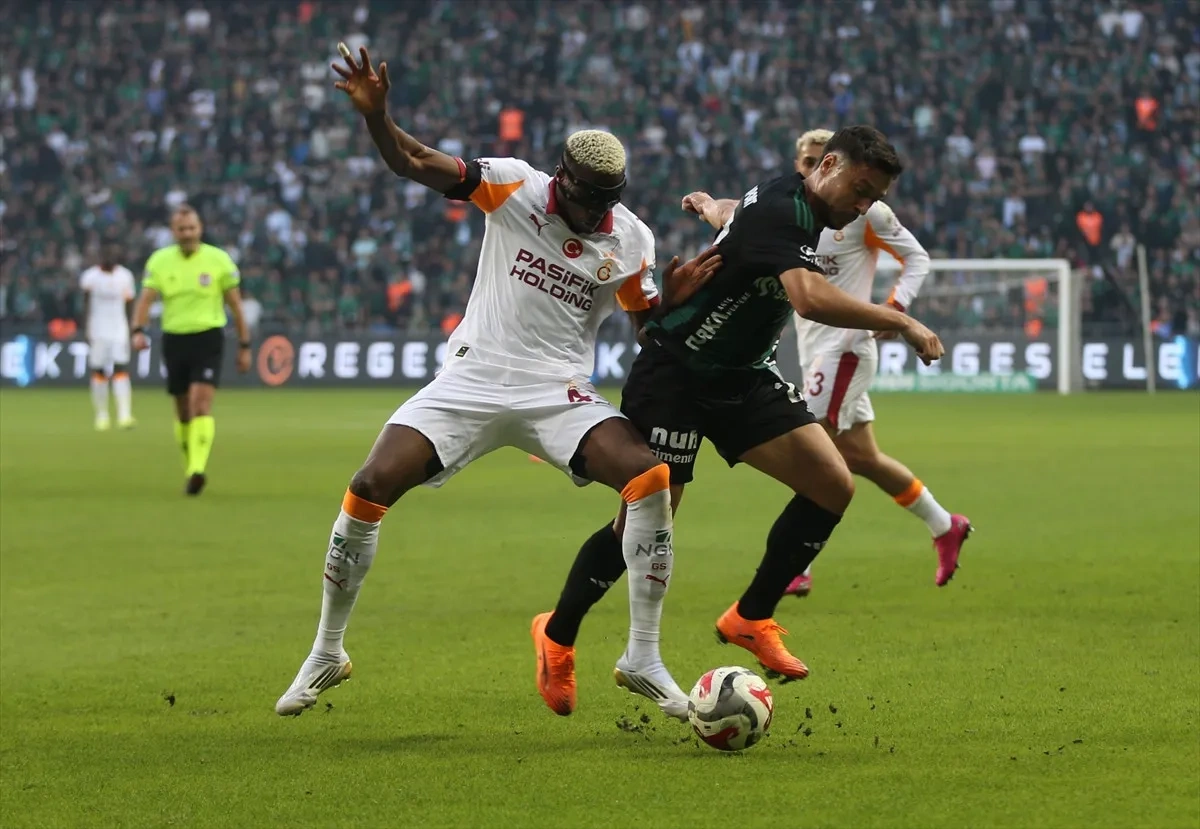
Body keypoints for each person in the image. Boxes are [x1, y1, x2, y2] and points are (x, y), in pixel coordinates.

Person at [274, 44, 721, 721]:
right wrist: (376, 116)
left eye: (602, 203)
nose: (588, 213)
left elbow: (645, 330)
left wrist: (672, 304)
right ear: (562, 177)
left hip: (557, 388)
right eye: (580, 197)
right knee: (369, 485)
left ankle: (643, 656)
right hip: (475, 373)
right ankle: (327, 650)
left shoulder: (631, 240)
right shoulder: (514, 185)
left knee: (650, 478)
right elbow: (413, 161)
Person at [537, 126, 945, 692]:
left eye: (874, 198)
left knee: (832, 484)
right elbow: (808, 298)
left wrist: (713, 208)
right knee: (647, 522)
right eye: (861, 190)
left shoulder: (796, 205)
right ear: (828, 166)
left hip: (743, 376)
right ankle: (557, 633)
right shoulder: (785, 212)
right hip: (678, 374)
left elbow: (736, 214)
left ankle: (750, 618)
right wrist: (901, 319)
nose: (863, 206)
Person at [787, 129, 972, 597]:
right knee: (861, 458)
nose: (812, 167)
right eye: (805, 161)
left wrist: (897, 308)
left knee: (811, 453)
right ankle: (945, 524)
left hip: (844, 348)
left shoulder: (863, 214)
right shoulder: (790, 212)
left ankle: (795, 564)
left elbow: (917, 258)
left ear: (835, 164)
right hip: (815, 348)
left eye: (820, 159)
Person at [130, 205, 252, 496]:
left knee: (200, 404)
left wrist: (245, 344)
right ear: (173, 232)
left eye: (191, 228)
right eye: (181, 229)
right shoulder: (160, 261)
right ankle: (191, 469)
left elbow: (236, 305)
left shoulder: (218, 260)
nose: (187, 234)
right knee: (183, 410)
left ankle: (197, 470)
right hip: (174, 338)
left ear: (200, 229)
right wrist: (138, 330)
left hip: (208, 337)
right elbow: (145, 299)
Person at [80, 244, 137, 431]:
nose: (110, 258)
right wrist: (86, 328)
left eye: (114, 254)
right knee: (98, 371)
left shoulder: (125, 276)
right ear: (100, 256)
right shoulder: (90, 277)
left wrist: (132, 328)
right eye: (107, 254)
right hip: (97, 329)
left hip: (119, 329)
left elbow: (130, 304)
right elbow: (85, 304)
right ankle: (101, 415)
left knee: (121, 369)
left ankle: (124, 415)